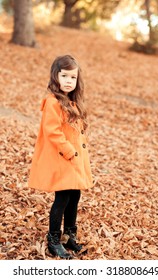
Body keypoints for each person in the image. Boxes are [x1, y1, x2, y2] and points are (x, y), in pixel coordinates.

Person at [28, 55, 93, 259]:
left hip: (74, 160)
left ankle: (69, 236)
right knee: (62, 198)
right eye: (64, 76)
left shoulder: (72, 102)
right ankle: (53, 240)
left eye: (72, 77)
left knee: (75, 197)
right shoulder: (52, 102)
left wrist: (79, 153)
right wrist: (70, 151)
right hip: (63, 158)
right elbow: (52, 132)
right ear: (55, 76)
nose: (68, 81)